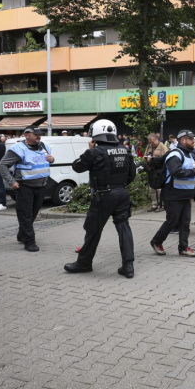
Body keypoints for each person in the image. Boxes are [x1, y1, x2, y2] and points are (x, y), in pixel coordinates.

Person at [64, 119, 138, 277]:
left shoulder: (95, 152)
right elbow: (132, 174)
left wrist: (89, 150)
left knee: (93, 229)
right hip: (122, 193)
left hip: (103, 196)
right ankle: (128, 265)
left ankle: (84, 263)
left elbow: (77, 166)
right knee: (123, 228)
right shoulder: (125, 150)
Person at [0, 127, 55, 252]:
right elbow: (2, 165)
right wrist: (11, 182)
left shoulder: (44, 146)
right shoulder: (18, 149)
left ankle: (22, 234)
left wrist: (52, 160)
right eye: (35, 134)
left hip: (41, 186)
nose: (38, 136)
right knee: (26, 215)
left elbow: (47, 161)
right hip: (25, 187)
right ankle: (29, 242)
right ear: (26, 135)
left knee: (33, 214)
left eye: (40, 134)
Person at [149, 129, 195, 257]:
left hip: (185, 194)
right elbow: (176, 172)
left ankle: (183, 247)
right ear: (183, 140)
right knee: (172, 222)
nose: (193, 141)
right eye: (190, 139)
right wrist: (194, 171)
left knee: (185, 222)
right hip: (173, 194)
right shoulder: (175, 155)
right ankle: (156, 241)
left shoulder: (188, 154)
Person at [144, 133, 168, 212]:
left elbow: (166, 157)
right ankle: (154, 205)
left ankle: (161, 205)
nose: (152, 144)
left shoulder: (163, 147)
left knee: (159, 188)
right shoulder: (149, 147)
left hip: (160, 170)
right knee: (152, 188)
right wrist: (146, 159)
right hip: (152, 169)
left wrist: (155, 159)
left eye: (153, 142)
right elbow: (145, 155)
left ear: (156, 139)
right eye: (150, 142)